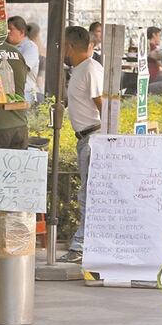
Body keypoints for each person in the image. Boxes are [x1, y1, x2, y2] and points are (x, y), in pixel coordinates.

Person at [57, 26, 104, 264]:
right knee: (87, 192)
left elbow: (102, 103)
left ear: (70, 47)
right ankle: (83, 243)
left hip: (93, 138)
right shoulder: (79, 69)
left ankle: (81, 246)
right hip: (85, 138)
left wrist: (107, 140)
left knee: (88, 194)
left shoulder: (90, 69)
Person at [7, 16, 40, 104]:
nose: (8, 32)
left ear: (21, 32)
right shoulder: (8, 47)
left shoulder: (30, 47)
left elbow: (22, 68)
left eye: (11, 29)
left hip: (26, 93)